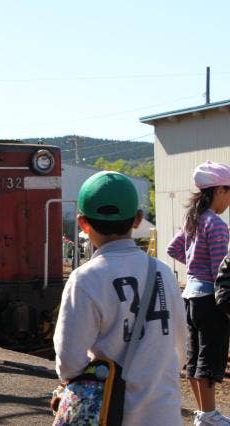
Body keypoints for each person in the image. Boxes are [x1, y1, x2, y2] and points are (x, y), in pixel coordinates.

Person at [54, 171, 186, 426]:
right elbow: (182, 349)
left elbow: (69, 363)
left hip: (109, 415)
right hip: (164, 413)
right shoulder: (164, 273)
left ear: (83, 223)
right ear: (138, 219)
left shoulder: (85, 279)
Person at [167, 161, 230, 425]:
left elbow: (173, 249)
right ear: (218, 191)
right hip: (209, 299)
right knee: (210, 357)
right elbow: (220, 270)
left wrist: (195, 265)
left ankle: (204, 412)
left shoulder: (193, 220)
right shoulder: (215, 224)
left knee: (194, 358)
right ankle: (209, 414)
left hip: (190, 296)